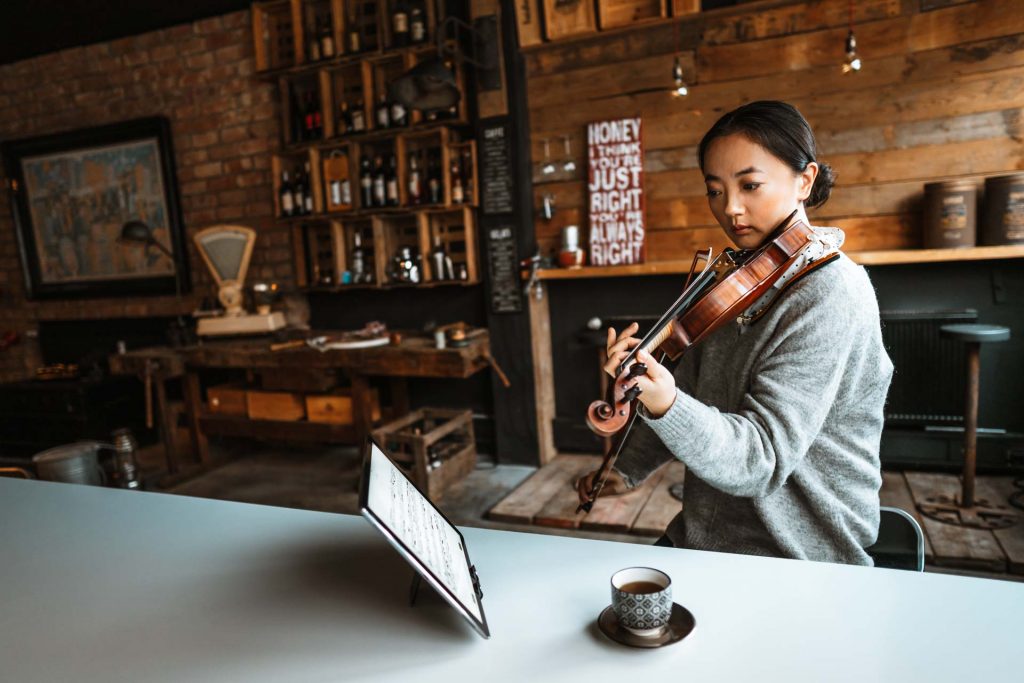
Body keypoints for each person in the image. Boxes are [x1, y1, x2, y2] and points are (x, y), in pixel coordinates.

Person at [576, 101, 894, 565]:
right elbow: (690, 394)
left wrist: (666, 402)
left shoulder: (831, 292)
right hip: (705, 538)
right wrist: (625, 469)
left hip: (799, 556)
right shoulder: (738, 282)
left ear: (804, 181)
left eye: (750, 185)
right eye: (714, 190)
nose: (730, 209)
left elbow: (760, 458)